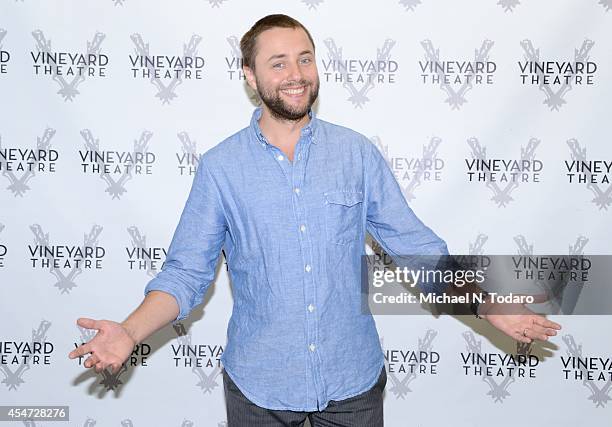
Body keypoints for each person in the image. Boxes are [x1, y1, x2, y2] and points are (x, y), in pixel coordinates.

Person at [68, 14, 561, 427]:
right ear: (249, 74)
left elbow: (416, 248)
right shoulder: (221, 168)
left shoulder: (356, 153)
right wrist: (131, 333)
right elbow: (185, 273)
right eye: (277, 62)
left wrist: (487, 305)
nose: (295, 74)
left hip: (353, 387)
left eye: (305, 58)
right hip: (259, 391)